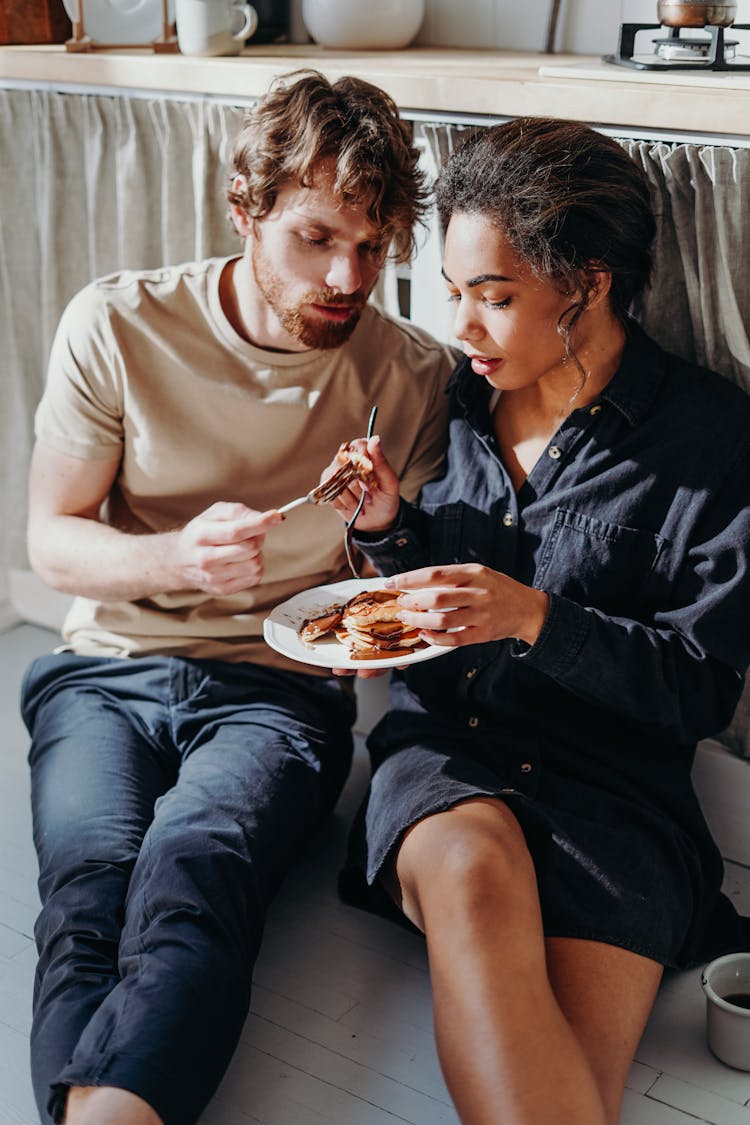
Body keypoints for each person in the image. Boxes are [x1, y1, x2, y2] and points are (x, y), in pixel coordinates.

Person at [21, 69, 455, 1125]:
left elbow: (394, 606)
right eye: (316, 238)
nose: (348, 276)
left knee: (193, 877)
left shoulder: (411, 374)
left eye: (373, 246)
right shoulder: (119, 326)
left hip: (278, 689)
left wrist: (378, 537)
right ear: (245, 211)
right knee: (88, 889)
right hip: (106, 672)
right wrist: (176, 560)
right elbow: (51, 544)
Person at [327, 117, 750, 1125]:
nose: (462, 328)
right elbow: (435, 603)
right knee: (472, 870)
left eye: (496, 297)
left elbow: (699, 684)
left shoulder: (713, 435)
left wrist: (538, 620)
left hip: (618, 802)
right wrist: (389, 529)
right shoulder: (456, 404)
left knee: (567, 1101)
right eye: (455, 292)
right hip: (450, 761)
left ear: (590, 284)